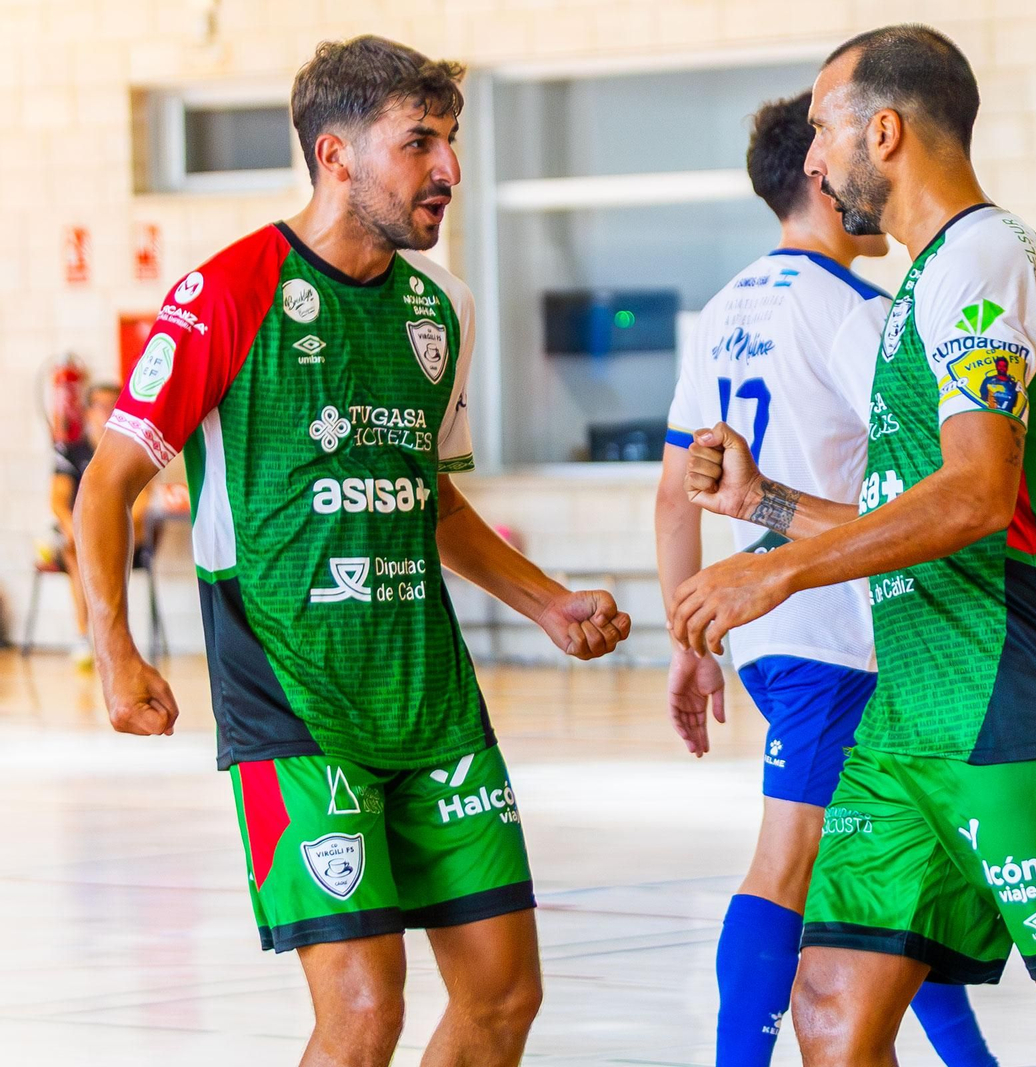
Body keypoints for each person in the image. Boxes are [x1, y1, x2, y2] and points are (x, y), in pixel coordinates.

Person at [670, 25, 1036, 1067]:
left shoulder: (983, 256)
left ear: (881, 131)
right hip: (909, 716)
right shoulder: (913, 294)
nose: (813, 157)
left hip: (1014, 693)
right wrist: (772, 507)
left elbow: (977, 496)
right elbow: (919, 517)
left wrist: (777, 569)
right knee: (832, 1009)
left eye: (825, 128)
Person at [75, 36, 631, 1067]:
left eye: (451, 141)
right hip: (292, 696)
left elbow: (431, 498)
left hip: (430, 699)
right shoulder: (226, 294)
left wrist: (547, 603)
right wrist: (115, 649)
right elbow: (105, 485)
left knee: (505, 998)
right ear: (335, 154)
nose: (449, 170)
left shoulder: (440, 307)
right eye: (419, 142)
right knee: (365, 1010)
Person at [655, 90, 997, 1067]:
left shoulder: (721, 308)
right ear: (818, 170)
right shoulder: (862, 315)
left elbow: (676, 496)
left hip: (758, 622)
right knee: (795, 860)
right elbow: (951, 485)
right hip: (841, 630)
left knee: (895, 865)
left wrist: (689, 641)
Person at [51, 382, 147, 669]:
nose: (107, 412)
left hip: (125, 534)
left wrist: (116, 527)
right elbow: (57, 500)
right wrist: (77, 529)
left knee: (96, 548)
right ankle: (86, 635)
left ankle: (113, 639)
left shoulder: (132, 447)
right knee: (75, 548)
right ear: (87, 412)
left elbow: (144, 500)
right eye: (100, 406)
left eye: (113, 405)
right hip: (81, 538)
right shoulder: (70, 451)